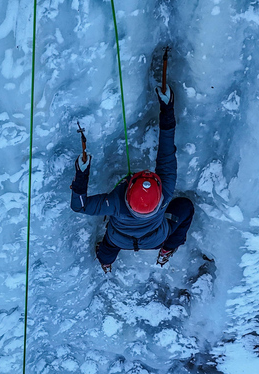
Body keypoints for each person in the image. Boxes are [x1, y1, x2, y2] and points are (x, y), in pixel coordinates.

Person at [70, 85, 194, 273]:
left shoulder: (114, 203)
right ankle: (167, 248)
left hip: (119, 238)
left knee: (109, 246)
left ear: (128, 192)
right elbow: (166, 153)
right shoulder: (166, 191)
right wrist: (167, 110)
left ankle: (105, 261)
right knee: (185, 207)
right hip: (155, 239)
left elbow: (80, 206)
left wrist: (82, 174)